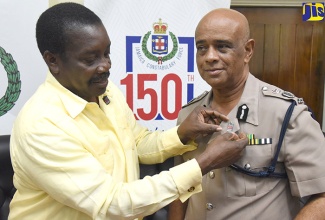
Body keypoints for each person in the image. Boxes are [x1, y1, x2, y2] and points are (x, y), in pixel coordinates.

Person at [8, 3, 248, 220]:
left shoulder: (105, 91)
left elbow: (137, 143)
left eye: (107, 53)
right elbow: (111, 203)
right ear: (53, 61)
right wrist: (204, 163)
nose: (105, 66)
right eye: (91, 59)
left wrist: (182, 134)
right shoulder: (41, 125)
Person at [168, 8, 325, 220]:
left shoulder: (287, 115)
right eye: (201, 48)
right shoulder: (189, 115)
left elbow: (321, 197)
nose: (210, 57)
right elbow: (181, 189)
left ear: (248, 50)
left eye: (222, 47)